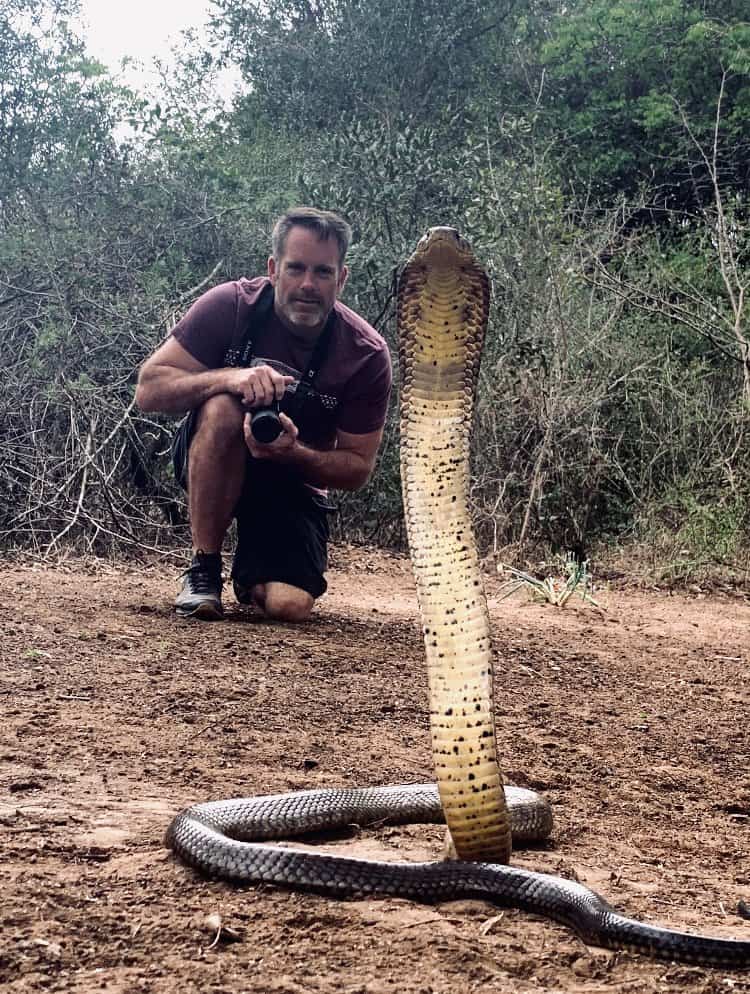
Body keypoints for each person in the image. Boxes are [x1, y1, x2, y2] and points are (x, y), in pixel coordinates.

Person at [135, 206, 392, 622]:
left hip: (292, 479)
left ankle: (254, 571)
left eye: (324, 272)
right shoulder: (231, 305)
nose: (308, 285)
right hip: (213, 451)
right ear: (273, 269)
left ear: (342, 279)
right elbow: (149, 389)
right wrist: (231, 379)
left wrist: (294, 454)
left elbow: (357, 469)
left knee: (288, 607)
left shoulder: (365, 353)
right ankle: (204, 569)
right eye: (296, 268)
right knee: (221, 406)